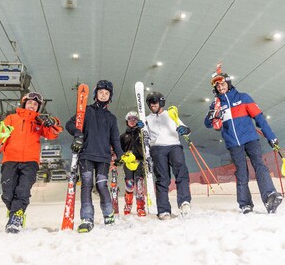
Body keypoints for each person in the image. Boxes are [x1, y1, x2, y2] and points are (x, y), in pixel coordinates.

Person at [204, 68, 283, 214]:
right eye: (217, 86)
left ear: (228, 83)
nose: (220, 87)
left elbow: (259, 118)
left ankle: (270, 197)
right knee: (241, 173)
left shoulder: (243, 97)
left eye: (222, 84)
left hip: (250, 138)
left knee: (259, 166)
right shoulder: (216, 104)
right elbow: (208, 124)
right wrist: (213, 116)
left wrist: (270, 136)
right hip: (233, 143)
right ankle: (245, 204)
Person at [66, 80, 135, 233]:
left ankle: (108, 214)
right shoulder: (86, 111)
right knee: (87, 183)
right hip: (86, 155)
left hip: (103, 157)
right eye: (101, 92)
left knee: (102, 185)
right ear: (95, 94)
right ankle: (87, 218)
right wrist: (78, 135)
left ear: (110, 96)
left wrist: (121, 155)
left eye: (106, 93)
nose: (103, 95)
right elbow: (70, 124)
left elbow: (115, 140)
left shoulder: (111, 118)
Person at [0, 92, 63, 233]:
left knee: (23, 190)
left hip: (30, 161)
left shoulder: (39, 122)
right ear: (24, 103)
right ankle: (15, 212)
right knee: (7, 193)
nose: (32, 105)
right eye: (30, 103)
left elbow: (53, 133)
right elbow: (1, 135)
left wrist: (53, 121)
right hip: (10, 160)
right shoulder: (11, 119)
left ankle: (16, 217)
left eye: (35, 104)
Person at [145, 91, 192, 220]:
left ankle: (184, 202)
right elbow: (143, 136)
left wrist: (185, 130)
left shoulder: (170, 114)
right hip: (157, 148)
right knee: (162, 178)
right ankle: (164, 210)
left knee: (181, 172)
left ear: (161, 102)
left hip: (174, 146)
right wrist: (140, 127)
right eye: (150, 102)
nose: (152, 104)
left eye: (154, 101)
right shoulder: (147, 119)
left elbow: (185, 127)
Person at [120, 111, 147, 217]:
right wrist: (118, 158)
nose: (132, 121)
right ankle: (128, 204)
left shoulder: (142, 134)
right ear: (127, 121)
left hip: (140, 162)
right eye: (130, 119)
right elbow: (119, 150)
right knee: (129, 184)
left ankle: (141, 207)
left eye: (134, 119)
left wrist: (143, 129)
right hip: (128, 163)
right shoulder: (123, 136)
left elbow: (147, 145)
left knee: (140, 184)